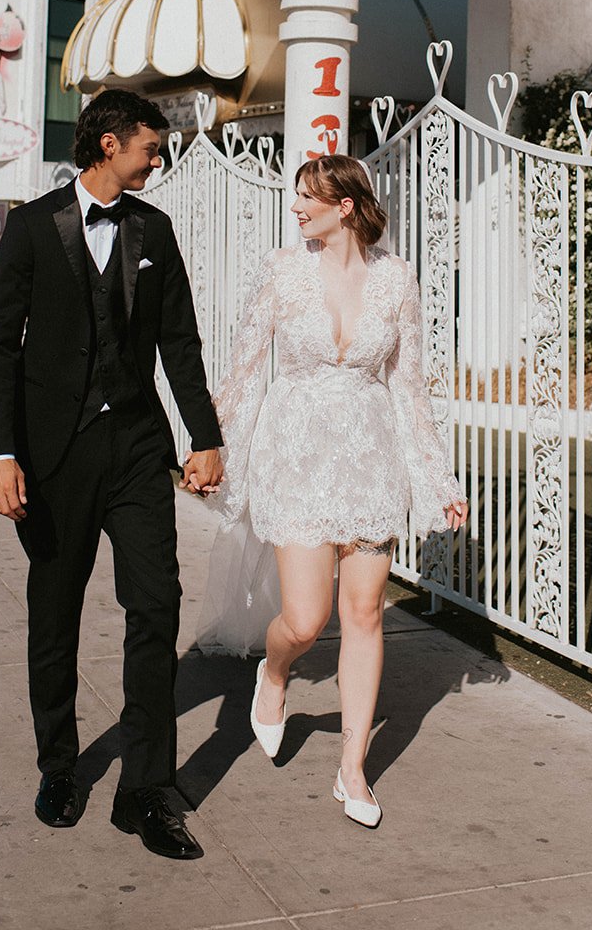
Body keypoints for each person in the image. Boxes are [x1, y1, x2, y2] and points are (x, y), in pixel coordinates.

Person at [0, 89, 223, 860]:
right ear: (110, 144)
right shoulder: (30, 228)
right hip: (53, 459)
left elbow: (179, 342)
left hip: (137, 453)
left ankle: (145, 790)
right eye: (151, 146)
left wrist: (205, 437)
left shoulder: (156, 228)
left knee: (157, 604)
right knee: (55, 614)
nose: (159, 157)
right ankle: (59, 767)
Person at [207, 155, 467, 829]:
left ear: (345, 206)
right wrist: (214, 448)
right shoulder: (281, 272)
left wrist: (437, 480)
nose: (295, 207)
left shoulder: (396, 279)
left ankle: (352, 770)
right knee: (304, 619)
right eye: (296, 195)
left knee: (366, 613)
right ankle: (274, 673)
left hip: (370, 457)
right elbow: (242, 370)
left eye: (308, 197)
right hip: (295, 457)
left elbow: (410, 389)